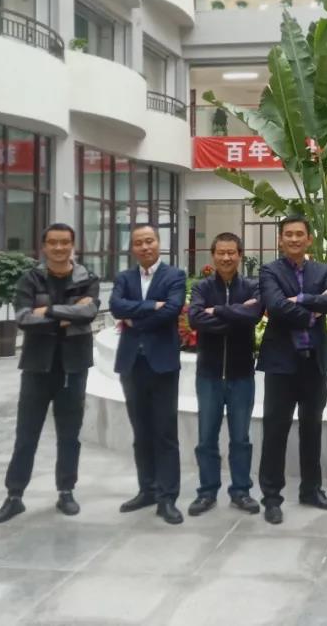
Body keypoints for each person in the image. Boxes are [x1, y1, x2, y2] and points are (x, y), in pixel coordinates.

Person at [0, 223, 100, 525]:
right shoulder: (30, 278)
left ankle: (66, 491)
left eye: (65, 242)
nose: (59, 248)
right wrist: (68, 314)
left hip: (73, 367)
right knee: (26, 435)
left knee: (69, 435)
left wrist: (48, 311)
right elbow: (24, 319)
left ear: (73, 246)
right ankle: (14, 496)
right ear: (44, 247)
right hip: (37, 367)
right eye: (53, 243)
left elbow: (89, 313)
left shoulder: (87, 279)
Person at [257, 215, 327, 525]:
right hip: (281, 365)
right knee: (275, 431)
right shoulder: (269, 271)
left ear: (309, 239)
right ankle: (271, 497)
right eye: (288, 234)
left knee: (312, 428)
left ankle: (311, 490)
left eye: (299, 234)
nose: (294, 239)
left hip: (314, 363)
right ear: (281, 240)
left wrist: (302, 299)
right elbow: (276, 305)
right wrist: (310, 313)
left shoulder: (322, 270)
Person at [110, 224, 187, 525]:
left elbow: (172, 310)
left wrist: (135, 319)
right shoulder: (124, 277)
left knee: (165, 433)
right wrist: (150, 306)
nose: (145, 247)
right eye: (139, 243)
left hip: (163, 363)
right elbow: (116, 307)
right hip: (132, 364)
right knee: (141, 432)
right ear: (132, 248)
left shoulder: (174, 275)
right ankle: (147, 490)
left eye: (149, 241)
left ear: (158, 243)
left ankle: (167, 497)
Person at [186, 232, 263, 516]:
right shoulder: (202, 287)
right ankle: (207, 492)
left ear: (240, 255)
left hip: (241, 375)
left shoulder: (252, 286)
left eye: (232, 252)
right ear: (213, 255)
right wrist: (235, 317)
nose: (226, 257)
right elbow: (195, 319)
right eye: (221, 252)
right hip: (209, 375)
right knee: (206, 438)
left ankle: (241, 491)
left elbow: (253, 316)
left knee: (240, 439)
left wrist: (217, 311)